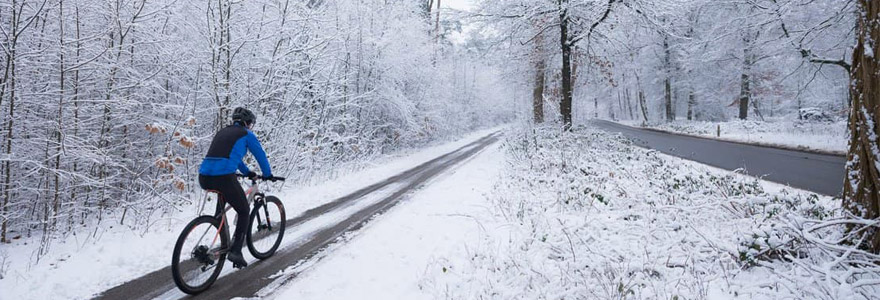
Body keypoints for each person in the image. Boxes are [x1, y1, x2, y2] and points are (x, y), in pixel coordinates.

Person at [198, 107, 273, 268]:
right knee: (244, 210)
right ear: (247, 123)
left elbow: (233, 156)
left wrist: (246, 172)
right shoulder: (247, 135)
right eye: (251, 123)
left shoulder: (223, 132)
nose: (251, 126)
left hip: (204, 176)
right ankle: (236, 251)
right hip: (223, 177)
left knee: (221, 212)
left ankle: (221, 245)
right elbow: (260, 155)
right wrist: (267, 174)